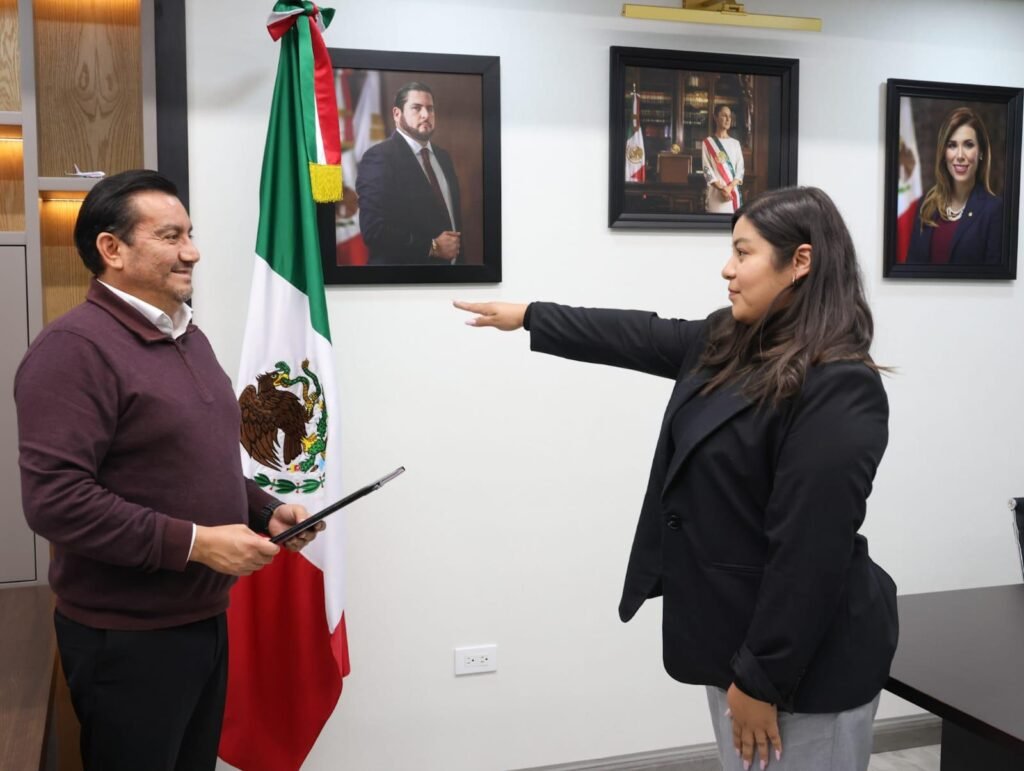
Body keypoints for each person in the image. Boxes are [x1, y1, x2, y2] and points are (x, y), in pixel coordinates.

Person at [454, 186, 898, 771]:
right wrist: (531, 315)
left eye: (743, 252)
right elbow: (639, 335)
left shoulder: (839, 385)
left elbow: (809, 554)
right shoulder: (731, 340)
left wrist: (761, 679)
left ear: (801, 261)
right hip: (736, 640)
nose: (727, 269)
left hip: (802, 665)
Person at [15, 169, 321, 771]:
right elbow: (56, 502)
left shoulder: (188, 337)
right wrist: (198, 544)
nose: (192, 252)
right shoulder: (73, 350)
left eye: (190, 234)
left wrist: (264, 510)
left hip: (202, 620)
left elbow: (192, 462)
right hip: (128, 640)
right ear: (112, 249)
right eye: (170, 236)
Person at [356, 81, 462, 265]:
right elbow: (374, 230)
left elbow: (451, 223)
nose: (426, 115)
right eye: (416, 108)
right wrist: (432, 247)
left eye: (430, 109)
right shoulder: (379, 157)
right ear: (397, 114)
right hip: (402, 278)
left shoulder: (443, 157)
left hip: (452, 276)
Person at [905, 106, 1003, 265]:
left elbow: (995, 277)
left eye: (968, 145)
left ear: (981, 152)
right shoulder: (926, 204)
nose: (960, 155)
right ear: (944, 153)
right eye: (952, 145)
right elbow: (911, 269)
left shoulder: (994, 210)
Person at [702, 103, 745, 213]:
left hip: (732, 194)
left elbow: (740, 170)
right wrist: (721, 189)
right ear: (716, 118)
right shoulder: (708, 143)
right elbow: (707, 170)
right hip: (716, 195)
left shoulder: (735, 144)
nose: (728, 119)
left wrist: (729, 188)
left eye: (729, 116)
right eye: (724, 115)